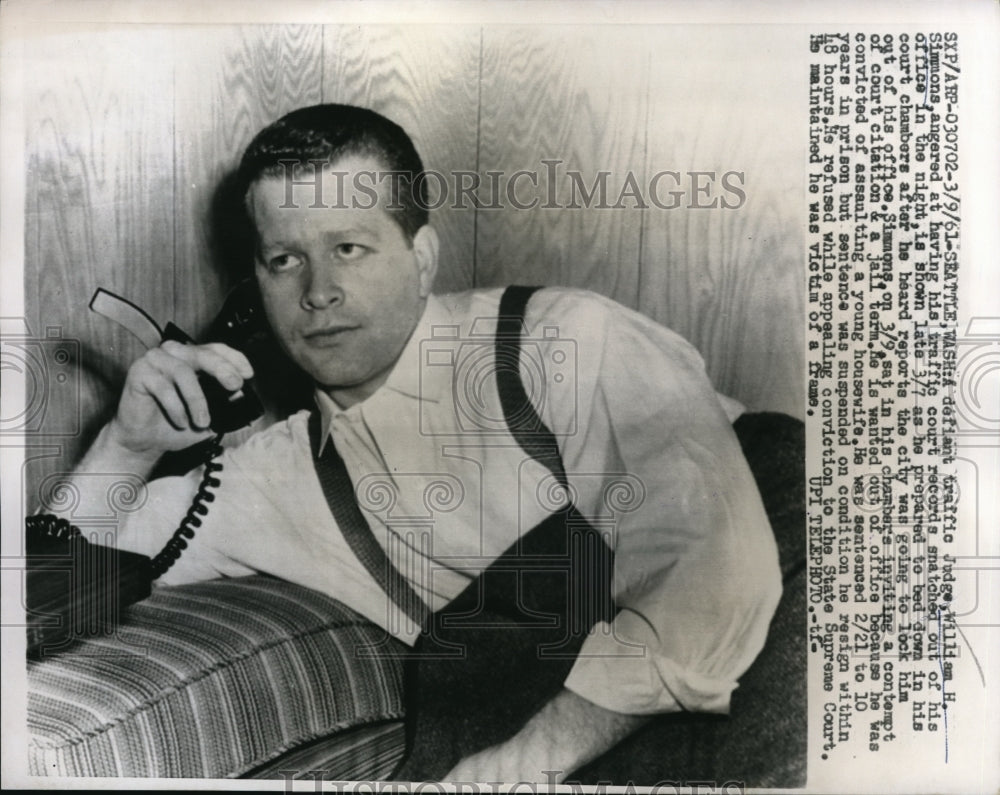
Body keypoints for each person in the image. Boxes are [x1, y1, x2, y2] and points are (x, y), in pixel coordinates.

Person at [68, 104, 782, 783]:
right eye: (284, 259)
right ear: (252, 289)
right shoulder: (272, 478)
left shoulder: (565, 340)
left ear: (423, 255)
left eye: (349, 248)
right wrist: (125, 444)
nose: (319, 291)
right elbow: (48, 587)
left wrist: (535, 755)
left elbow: (715, 573)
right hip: (611, 721)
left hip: (791, 591)